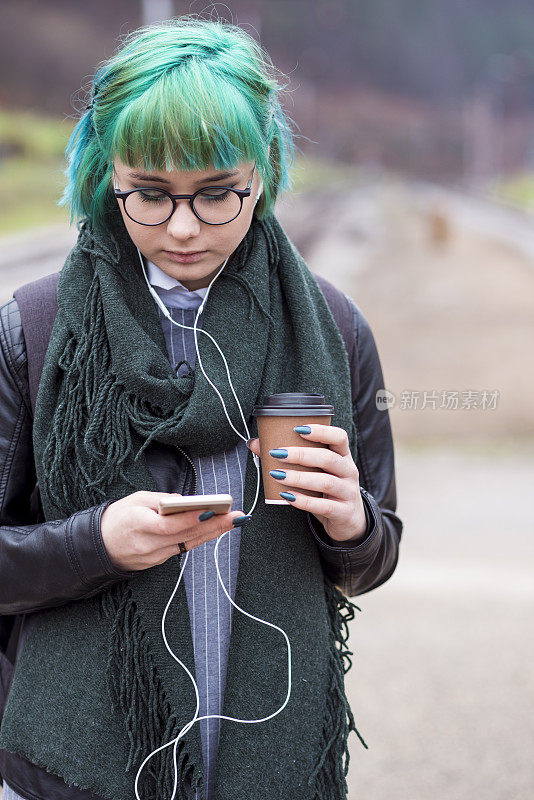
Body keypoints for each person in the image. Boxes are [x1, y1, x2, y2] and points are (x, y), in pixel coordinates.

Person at [0, 16, 403, 800]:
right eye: (149, 193)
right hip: (71, 775)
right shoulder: (35, 329)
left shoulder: (336, 329)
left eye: (218, 193)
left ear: (264, 172)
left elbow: (377, 552)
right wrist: (96, 543)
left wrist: (352, 522)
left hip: (271, 762)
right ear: (105, 173)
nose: (183, 228)